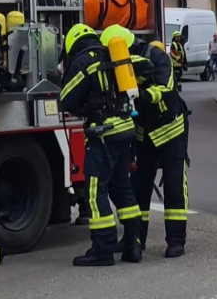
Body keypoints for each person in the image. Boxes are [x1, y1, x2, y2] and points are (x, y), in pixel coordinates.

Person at [59, 23, 143, 267]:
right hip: (125, 129)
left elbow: (66, 98)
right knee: (122, 187)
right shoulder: (111, 54)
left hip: (104, 135)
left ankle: (103, 250)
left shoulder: (83, 62)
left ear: (73, 45)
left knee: (95, 193)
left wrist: (85, 107)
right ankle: (133, 244)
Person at [102, 25, 189, 258]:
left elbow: (165, 88)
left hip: (170, 130)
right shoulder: (118, 65)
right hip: (143, 134)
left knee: (174, 186)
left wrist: (140, 95)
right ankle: (135, 239)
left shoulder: (157, 57)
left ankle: (176, 240)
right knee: (138, 189)